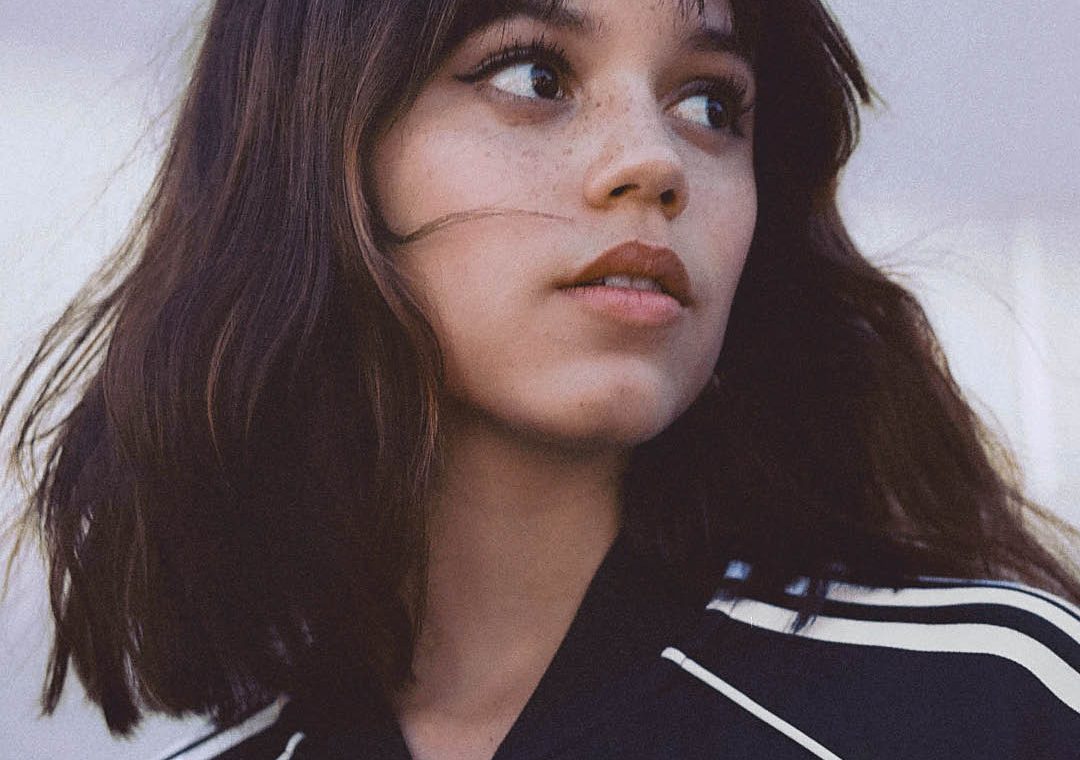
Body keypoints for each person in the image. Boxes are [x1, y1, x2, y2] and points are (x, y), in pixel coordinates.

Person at [3, 0, 1079, 758]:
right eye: (536, 76)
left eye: (711, 104)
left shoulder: (993, 704)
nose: (654, 160)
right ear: (326, 151)